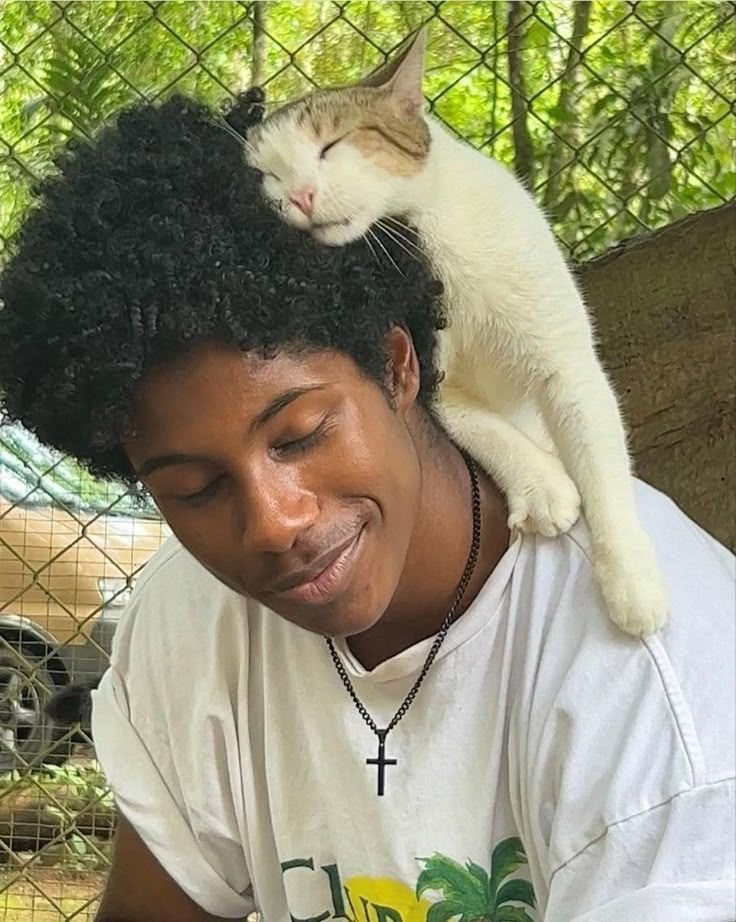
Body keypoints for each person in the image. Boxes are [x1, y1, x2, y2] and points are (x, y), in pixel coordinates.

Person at [0, 93, 733, 922]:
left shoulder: (656, 685)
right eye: (194, 489)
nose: (273, 522)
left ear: (398, 366)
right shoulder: (193, 617)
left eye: (301, 435)